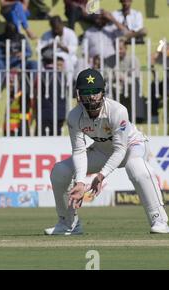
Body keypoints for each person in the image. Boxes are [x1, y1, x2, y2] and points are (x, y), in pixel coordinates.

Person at [44, 68, 169, 235]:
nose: (91, 96)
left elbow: (120, 149)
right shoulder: (74, 116)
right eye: (86, 92)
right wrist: (80, 182)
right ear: (78, 94)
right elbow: (79, 152)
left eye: (95, 91)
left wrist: (101, 176)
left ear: (103, 92)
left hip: (131, 146)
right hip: (102, 151)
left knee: (135, 167)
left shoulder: (118, 111)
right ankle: (69, 224)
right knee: (60, 171)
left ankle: (159, 220)